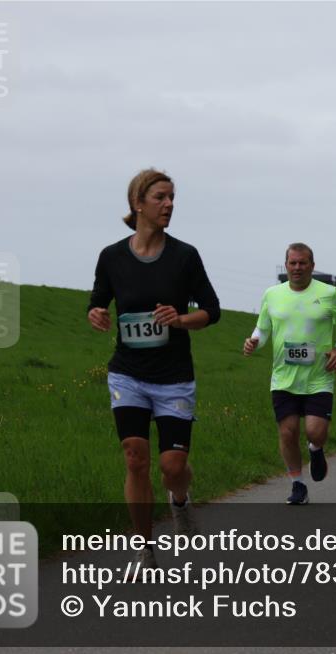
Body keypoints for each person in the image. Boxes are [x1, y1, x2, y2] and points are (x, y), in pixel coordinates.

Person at [87, 168, 221, 571]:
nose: (169, 205)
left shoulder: (185, 256)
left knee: (172, 467)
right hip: (127, 373)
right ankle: (144, 548)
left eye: (172, 198)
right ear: (138, 203)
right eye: (161, 197)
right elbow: (98, 301)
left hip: (173, 376)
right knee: (135, 457)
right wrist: (96, 314)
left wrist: (180, 320)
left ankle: (179, 500)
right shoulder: (112, 257)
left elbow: (211, 310)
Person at [243, 243, 336, 505]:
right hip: (283, 378)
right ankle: (298, 484)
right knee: (288, 432)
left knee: (315, 432)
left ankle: (316, 448)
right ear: (286, 265)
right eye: (292, 263)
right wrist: (254, 341)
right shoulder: (272, 294)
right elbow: (263, 329)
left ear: (312, 266)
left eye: (302, 263)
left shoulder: (328, 293)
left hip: (319, 377)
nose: (297, 268)